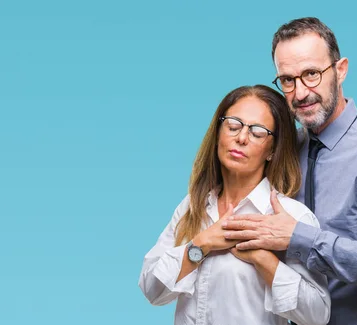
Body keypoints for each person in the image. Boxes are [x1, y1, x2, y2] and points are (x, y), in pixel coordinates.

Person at [222, 17, 357, 324]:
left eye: (311, 74)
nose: (300, 93)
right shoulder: (286, 148)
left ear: (340, 71)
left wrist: (298, 238)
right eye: (287, 80)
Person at [138, 85, 331, 325]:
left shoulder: (290, 216)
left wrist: (264, 259)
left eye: (258, 132)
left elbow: (317, 316)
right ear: (219, 132)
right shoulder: (192, 206)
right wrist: (201, 244)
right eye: (233, 125)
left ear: (272, 149)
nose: (241, 138)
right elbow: (151, 289)